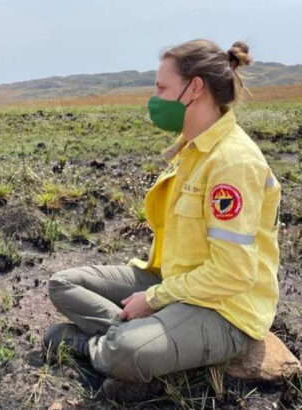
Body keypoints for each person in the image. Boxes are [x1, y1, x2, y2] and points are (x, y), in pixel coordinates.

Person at [43, 40, 281, 402]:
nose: (154, 98)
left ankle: (109, 346)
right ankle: (133, 337)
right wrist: (156, 296)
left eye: (161, 88)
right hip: (174, 277)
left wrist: (154, 299)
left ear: (195, 88)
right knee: (62, 284)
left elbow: (234, 272)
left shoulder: (233, 162)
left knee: (125, 352)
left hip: (225, 308)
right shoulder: (193, 148)